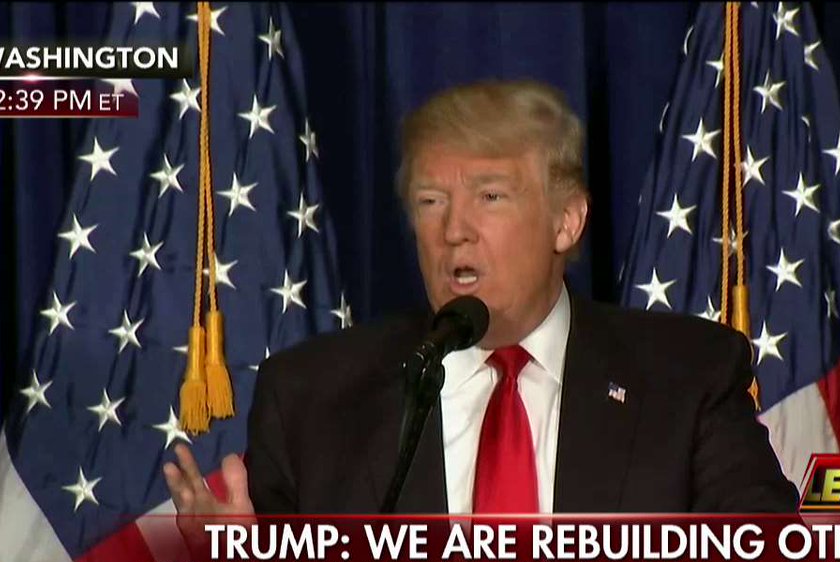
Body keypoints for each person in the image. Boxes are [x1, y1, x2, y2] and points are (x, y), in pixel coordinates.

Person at [163, 79, 799, 520]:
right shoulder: (314, 398)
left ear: (567, 221)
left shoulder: (686, 378)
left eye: (490, 196)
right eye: (431, 201)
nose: (454, 230)